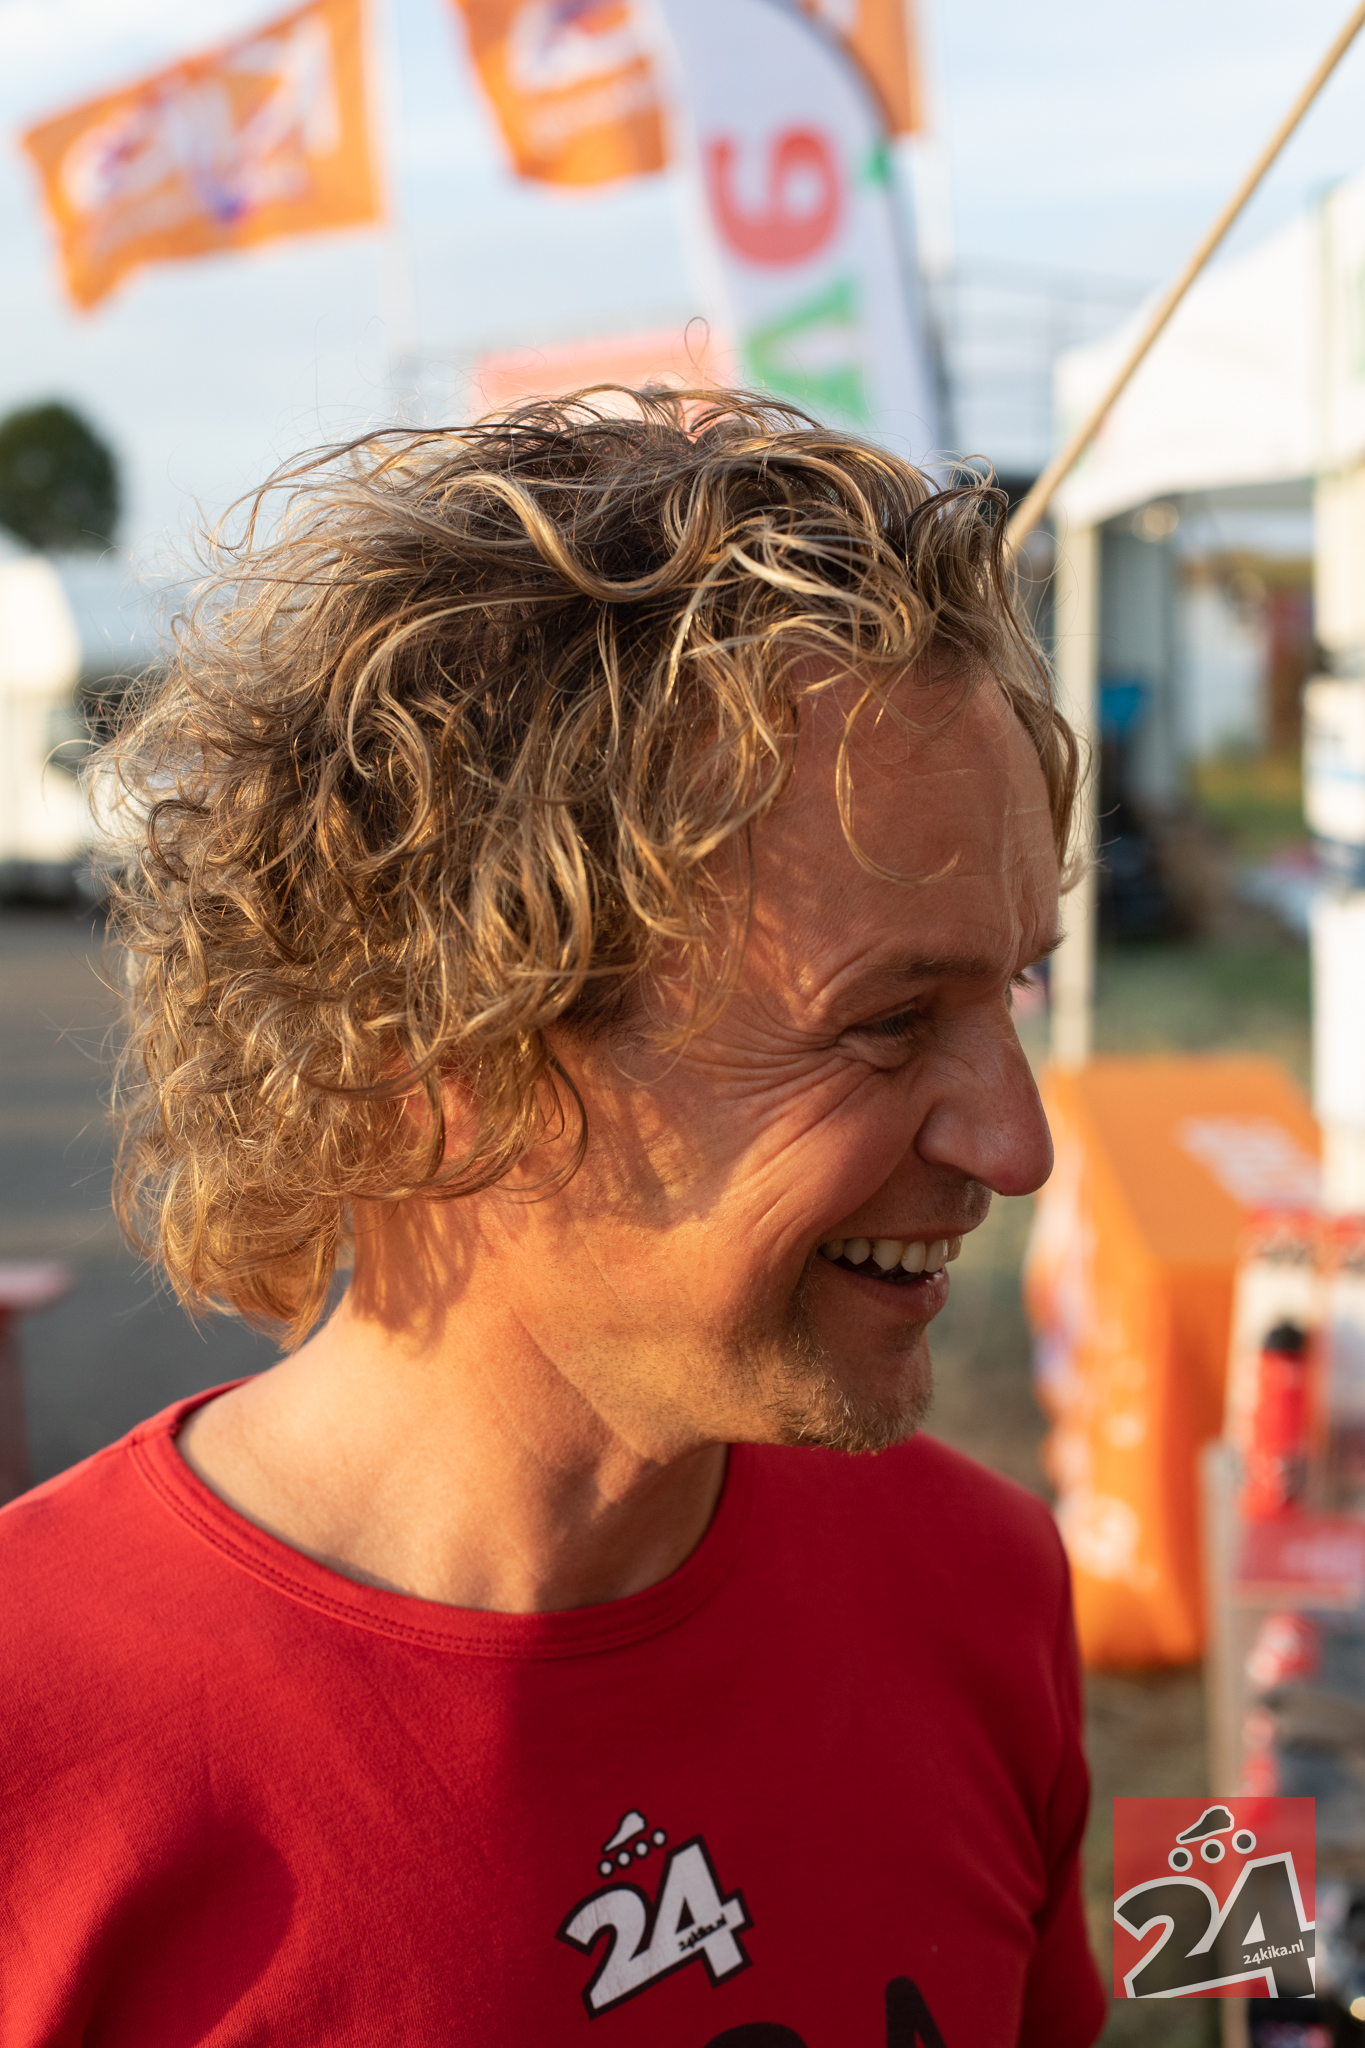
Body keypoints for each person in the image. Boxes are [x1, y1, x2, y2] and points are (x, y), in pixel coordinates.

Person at [0, 390, 1106, 2047]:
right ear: (437, 1047)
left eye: (1011, 984)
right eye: (884, 1022)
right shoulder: (37, 1755)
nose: (1016, 1146)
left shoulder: (980, 1592)